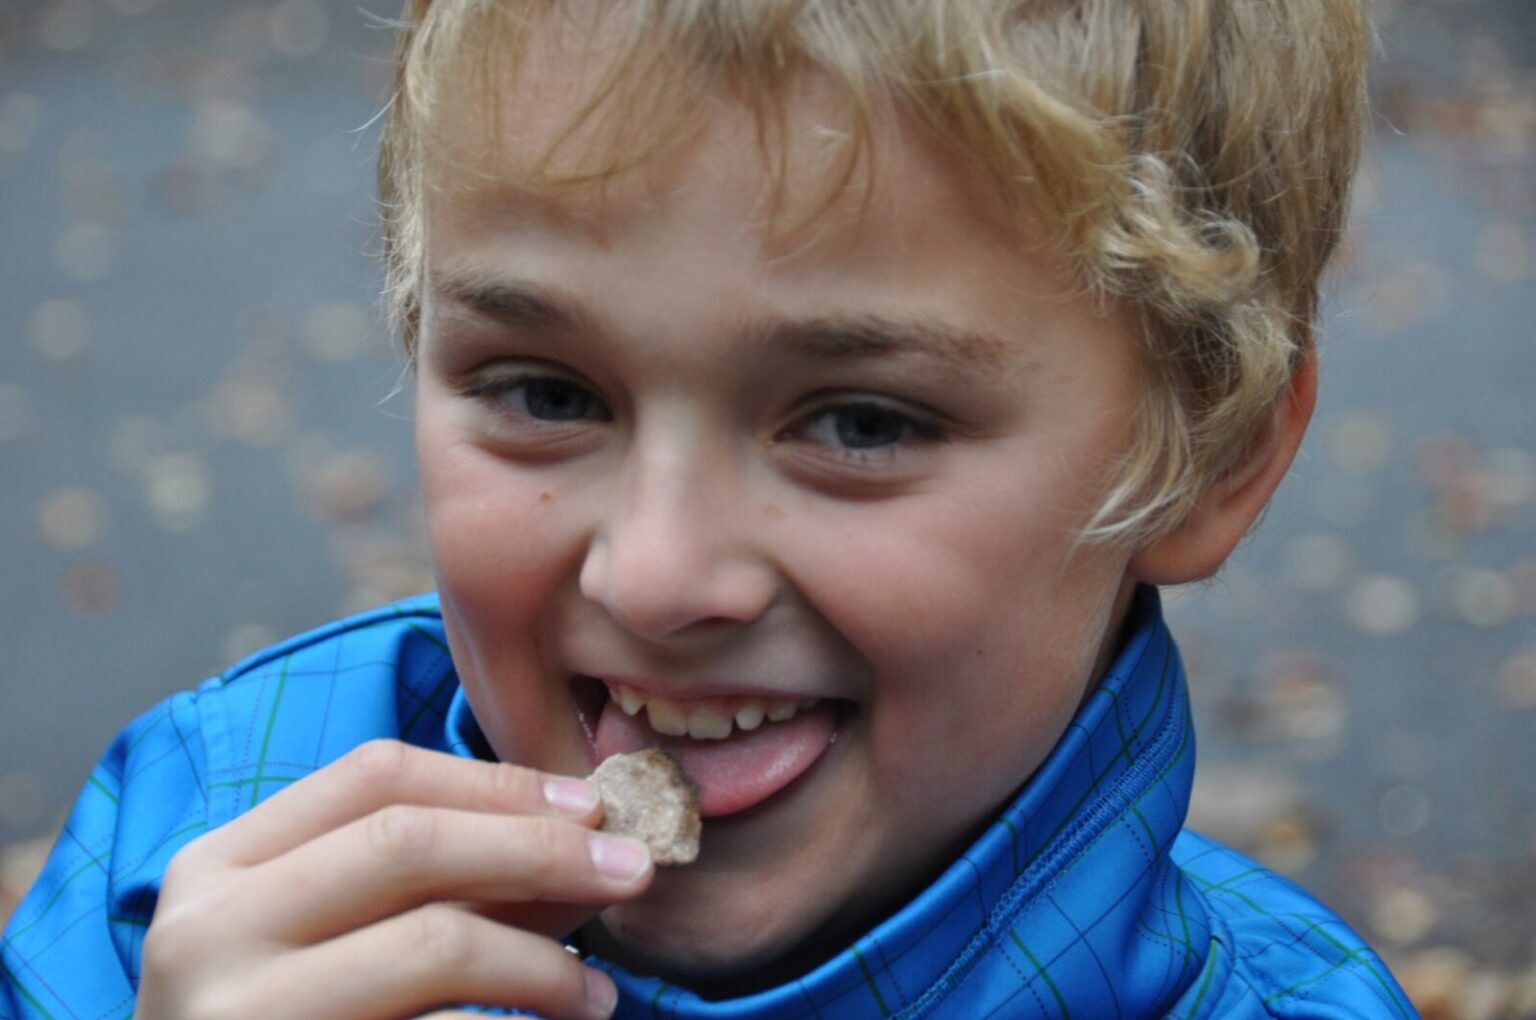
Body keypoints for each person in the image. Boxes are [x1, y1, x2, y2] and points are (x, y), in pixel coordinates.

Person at [2, 1, 1416, 1016]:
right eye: (549, 393)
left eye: (862, 422)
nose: (659, 575)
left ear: (1216, 452)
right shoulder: (186, 857)